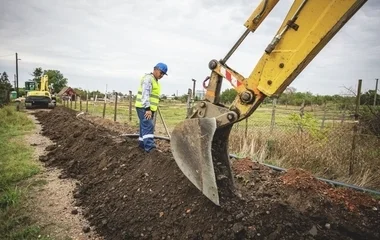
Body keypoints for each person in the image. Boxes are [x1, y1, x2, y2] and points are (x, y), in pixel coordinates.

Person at [135, 62, 168, 153]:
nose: (161, 75)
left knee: (144, 126)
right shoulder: (148, 79)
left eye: (163, 74)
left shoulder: (155, 81)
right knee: (148, 126)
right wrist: (147, 109)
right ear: (155, 69)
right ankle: (150, 149)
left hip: (148, 108)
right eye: (161, 73)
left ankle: (142, 145)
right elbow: (145, 95)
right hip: (144, 108)